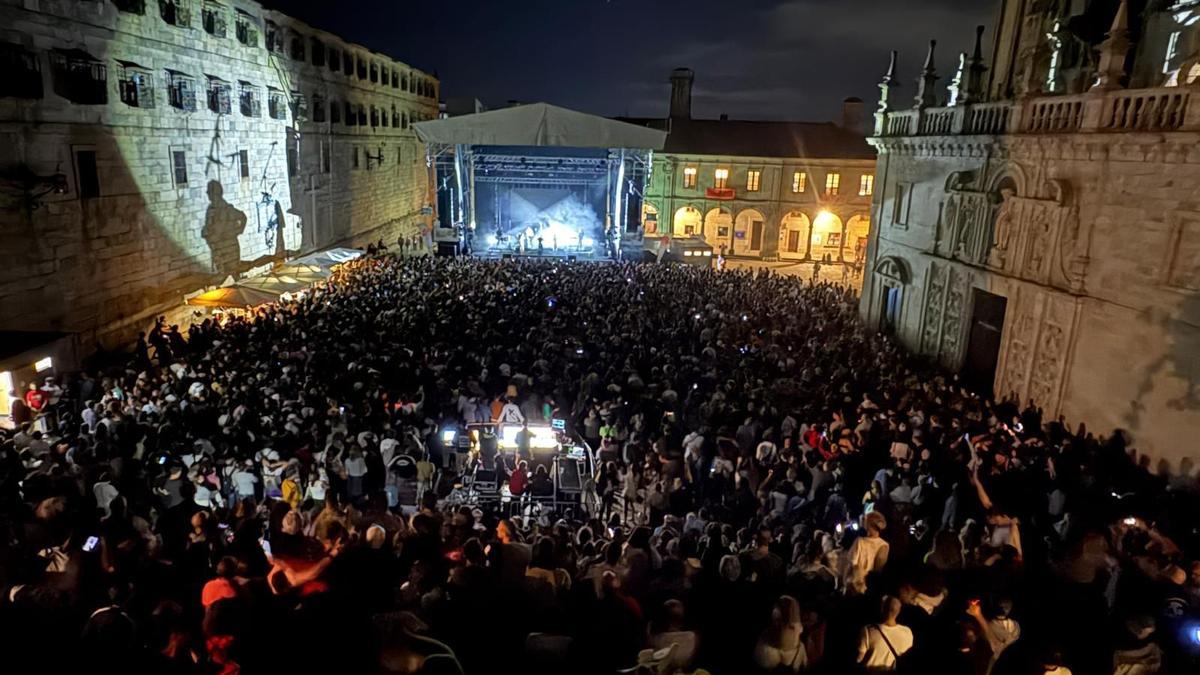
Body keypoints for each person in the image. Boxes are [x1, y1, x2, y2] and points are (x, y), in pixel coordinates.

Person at [857, 596, 913, 672]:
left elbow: (859, 658)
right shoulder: (907, 632)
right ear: (898, 611)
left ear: (882, 609)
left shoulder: (868, 630)